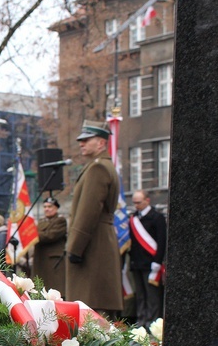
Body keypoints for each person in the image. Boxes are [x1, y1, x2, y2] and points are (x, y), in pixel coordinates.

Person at [66, 120, 123, 319]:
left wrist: (74, 247)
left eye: (86, 140)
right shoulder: (102, 166)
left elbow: (87, 213)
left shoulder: (97, 169)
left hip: (92, 246)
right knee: (96, 313)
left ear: (101, 143)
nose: (81, 143)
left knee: (91, 314)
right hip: (99, 241)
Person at [129, 190, 167, 327]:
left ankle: (152, 323)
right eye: (134, 203)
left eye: (138, 202)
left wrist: (158, 261)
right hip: (137, 263)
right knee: (140, 295)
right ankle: (141, 321)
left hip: (151, 264)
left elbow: (162, 241)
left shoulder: (157, 218)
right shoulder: (133, 218)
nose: (136, 206)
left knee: (152, 296)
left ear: (147, 200)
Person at [32, 197, 67, 294]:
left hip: (53, 262)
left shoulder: (60, 220)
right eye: (45, 207)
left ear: (56, 208)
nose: (46, 209)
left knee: (55, 288)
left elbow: (50, 236)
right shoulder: (41, 221)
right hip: (40, 259)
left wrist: (32, 235)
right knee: (40, 288)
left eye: (50, 206)